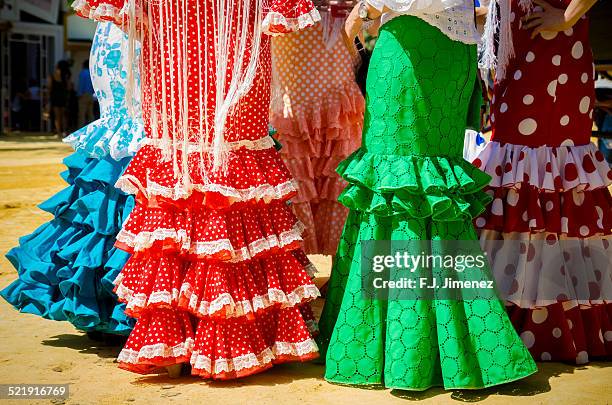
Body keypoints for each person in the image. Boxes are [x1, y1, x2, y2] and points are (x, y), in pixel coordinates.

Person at [73, 0, 322, 379]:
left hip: (196, 50)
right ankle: (227, 341)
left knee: (202, 165)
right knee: (216, 167)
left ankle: (175, 341)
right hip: (203, 51)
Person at [317, 0, 537, 390]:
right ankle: (445, 348)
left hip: (413, 48)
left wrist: (368, 8)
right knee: (426, 187)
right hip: (449, 51)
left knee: (399, 186)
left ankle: (399, 353)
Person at [473, 0, 611, 364]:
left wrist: (567, 16)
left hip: (554, 56)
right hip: (520, 52)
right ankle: (514, 310)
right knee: (516, 166)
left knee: (537, 167)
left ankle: (545, 317)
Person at [1, 22, 145, 339]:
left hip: (123, 32)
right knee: (127, 143)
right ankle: (123, 306)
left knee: (117, 160)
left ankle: (106, 303)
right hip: (132, 36)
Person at [270, 0, 365, 257]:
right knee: (294, 173)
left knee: (335, 176)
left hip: (335, 71)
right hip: (294, 71)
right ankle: (293, 266)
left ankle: (337, 267)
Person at [48, 62, 72, 138]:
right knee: (64, 116)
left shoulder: (53, 75)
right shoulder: (66, 76)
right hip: (64, 97)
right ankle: (65, 131)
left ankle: (58, 132)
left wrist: (48, 97)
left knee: (57, 116)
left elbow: (49, 87)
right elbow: (69, 87)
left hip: (55, 97)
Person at [78, 59, 95, 127]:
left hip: (84, 95)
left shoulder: (82, 73)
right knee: (90, 114)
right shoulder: (91, 73)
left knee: (82, 114)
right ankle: (93, 129)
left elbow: (81, 85)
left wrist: (79, 94)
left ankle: (80, 129)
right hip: (91, 94)